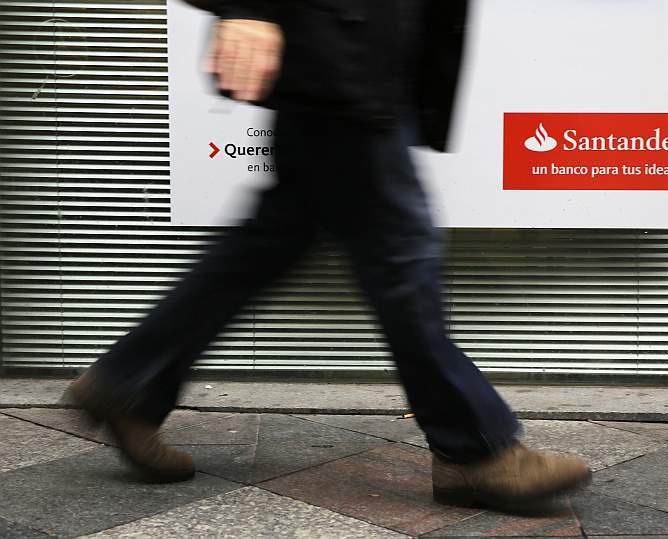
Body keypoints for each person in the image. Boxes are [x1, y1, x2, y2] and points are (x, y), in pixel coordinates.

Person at [67, 0, 592, 512]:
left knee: (270, 241)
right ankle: (476, 450)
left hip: (357, 57)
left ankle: (128, 382)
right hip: (341, 52)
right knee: (401, 261)